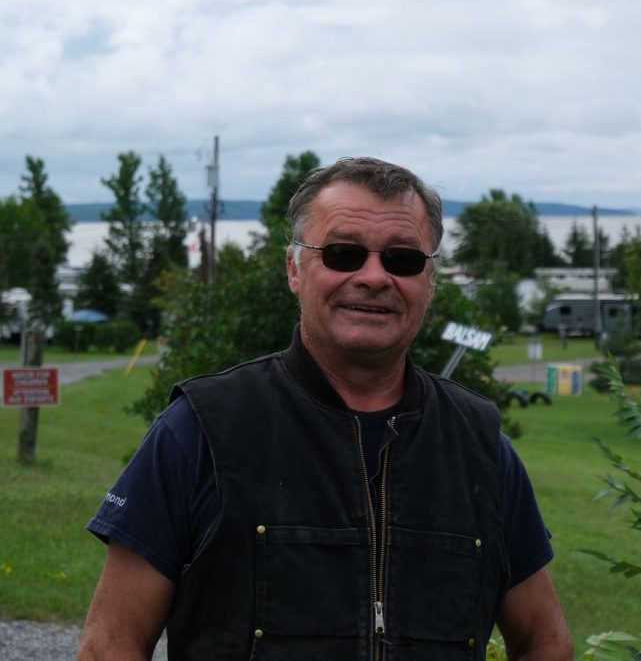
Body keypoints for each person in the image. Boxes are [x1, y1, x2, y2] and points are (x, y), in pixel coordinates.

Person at [78, 157, 573, 660]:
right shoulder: (201, 429)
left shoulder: (480, 445)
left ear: (430, 280)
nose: (374, 277)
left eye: (402, 259)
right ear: (294, 269)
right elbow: (109, 645)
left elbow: (545, 641)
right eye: (343, 253)